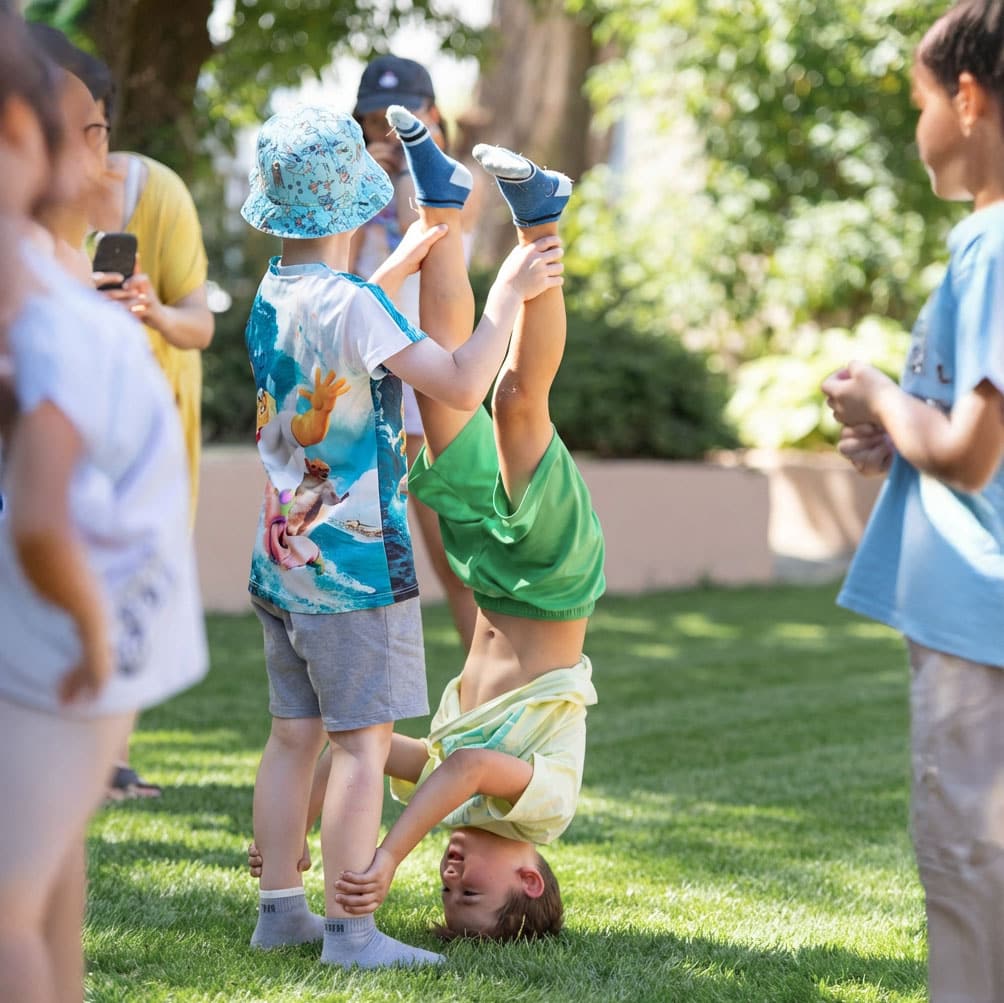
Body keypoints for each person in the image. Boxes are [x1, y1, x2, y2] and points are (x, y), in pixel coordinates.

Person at [252, 107, 604, 942]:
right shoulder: (544, 810)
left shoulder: (286, 294)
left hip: (480, 561)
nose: (452, 882)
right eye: (472, 895)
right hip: (551, 577)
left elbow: (366, 752)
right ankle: (541, 221)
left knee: (445, 405)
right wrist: (388, 856)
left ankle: (442, 199)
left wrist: (291, 830)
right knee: (515, 402)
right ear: (528, 877)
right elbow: (470, 768)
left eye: (447, 899)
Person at [0, 14, 207, 1002]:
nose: (102, 155)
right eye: (80, 131)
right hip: (97, 636)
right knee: (45, 882)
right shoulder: (52, 287)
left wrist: (88, 629)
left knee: (7, 910)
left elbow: (42, 522)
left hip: (70, 644)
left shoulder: (56, 322)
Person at [821, 3, 1004, 1000]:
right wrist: (893, 437)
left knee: (967, 867)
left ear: (967, 99)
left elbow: (968, 458)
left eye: (920, 102)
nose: (917, 128)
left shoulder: (991, 245)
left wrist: (882, 397)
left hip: (974, 617)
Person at [26, 22, 215, 801]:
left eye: (96, 128)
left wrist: (151, 312)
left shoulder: (154, 193)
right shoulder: (29, 226)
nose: (87, 151)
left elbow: (199, 321)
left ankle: (107, 754)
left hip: (146, 429)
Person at [351, 53, 479, 652]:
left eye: (400, 117)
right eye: (375, 119)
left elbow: (421, 222)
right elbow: (339, 273)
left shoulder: (455, 179)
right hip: (365, 390)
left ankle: (489, 691)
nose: (387, 130)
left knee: (458, 565)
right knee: (366, 570)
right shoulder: (351, 186)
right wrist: (359, 189)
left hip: (431, 390)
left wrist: (405, 165)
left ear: (431, 114)